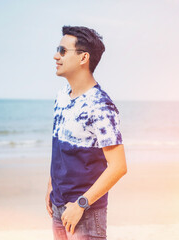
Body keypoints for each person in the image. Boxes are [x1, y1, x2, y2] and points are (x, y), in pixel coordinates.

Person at [45, 25, 127, 240]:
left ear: (83, 58)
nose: (56, 56)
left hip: (86, 212)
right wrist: (51, 185)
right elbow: (60, 148)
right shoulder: (62, 96)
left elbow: (118, 167)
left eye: (63, 51)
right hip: (59, 206)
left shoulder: (100, 105)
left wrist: (81, 204)